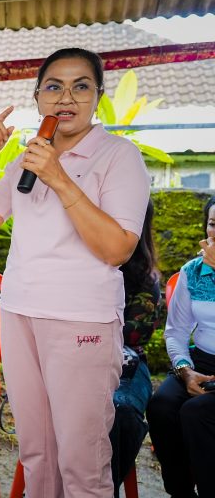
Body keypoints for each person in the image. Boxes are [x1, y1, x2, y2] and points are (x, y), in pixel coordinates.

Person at [0, 48, 150, 497]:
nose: (66, 96)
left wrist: (60, 177)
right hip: (20, 313)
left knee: (81, 463)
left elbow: (118, 249)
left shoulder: (120, 157)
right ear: (38, 98)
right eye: (54, 86)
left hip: (82, 320)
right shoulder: (29, 157)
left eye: (80, 85)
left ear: (98, 97)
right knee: (37, 455)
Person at [146, 195, 215, 498]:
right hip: (202, 361)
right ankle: (181, 493)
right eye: (213, 224)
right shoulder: (192, 272)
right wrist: (185, 370)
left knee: (196, 412)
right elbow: (175, 333)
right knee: (161, 405)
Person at [110, 200, 161, 497]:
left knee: (121, 411)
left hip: (128, 366)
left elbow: (131, 335)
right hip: (75, 359)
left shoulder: (145, 279)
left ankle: (98, 488)